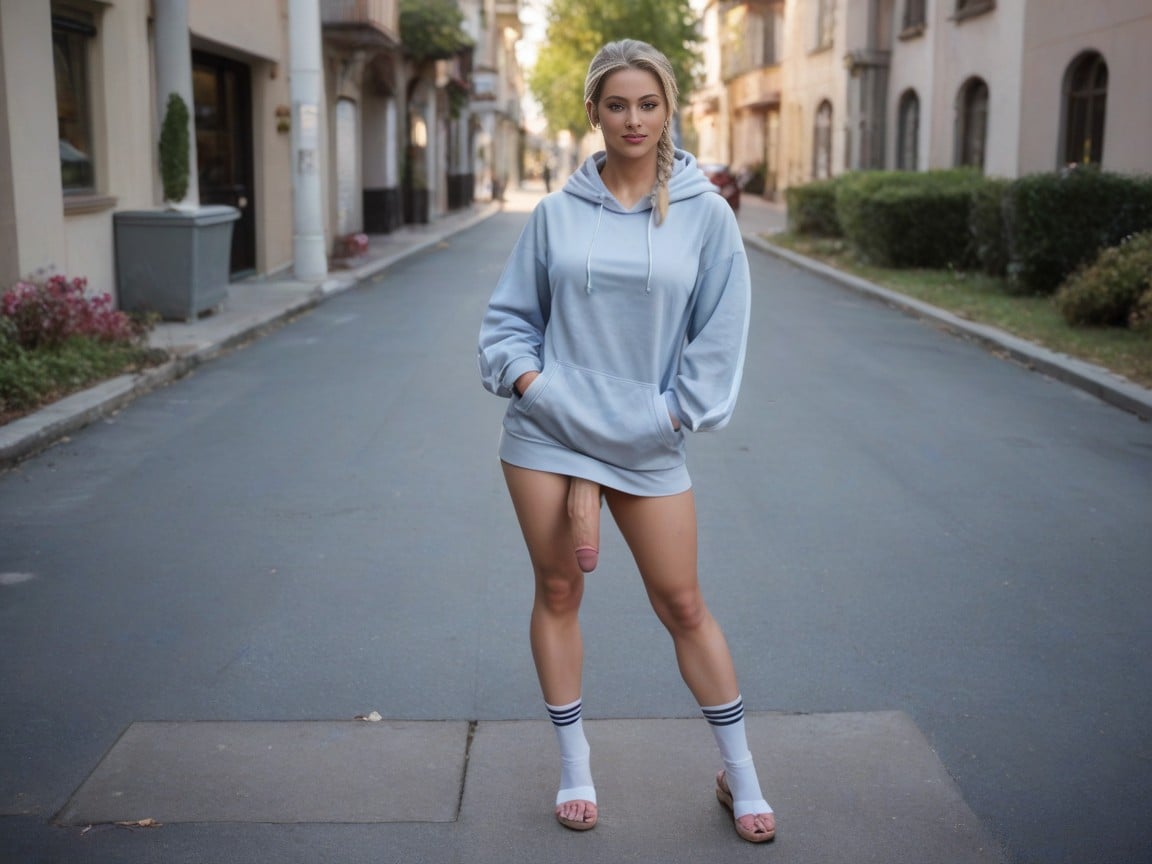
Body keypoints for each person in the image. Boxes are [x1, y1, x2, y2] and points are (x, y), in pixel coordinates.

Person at [477, 39, 774, 843]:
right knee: (559, 594)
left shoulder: (705, 212)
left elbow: (720, 334)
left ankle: (738, 773)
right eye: (617, 104)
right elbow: (508, 324)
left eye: (648, 103)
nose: (633, 119)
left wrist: (674, 416)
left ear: (669, 108)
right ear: (594, 114)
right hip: (547, 436)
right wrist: (533, 384)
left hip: (646, 439)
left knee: (682, 602)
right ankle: (575, 768)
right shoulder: (556, 213)